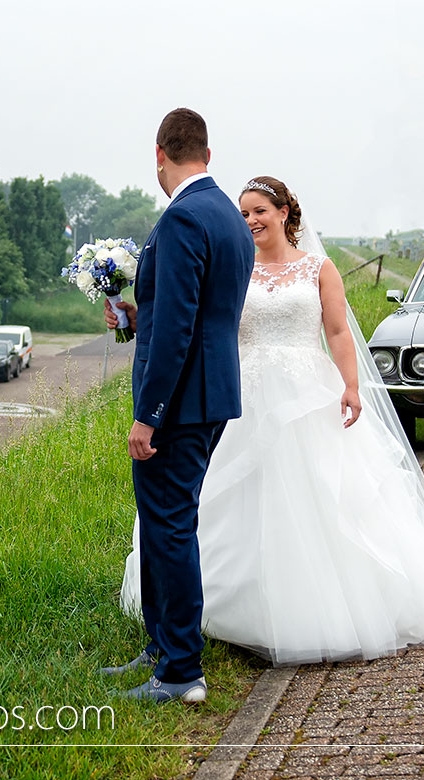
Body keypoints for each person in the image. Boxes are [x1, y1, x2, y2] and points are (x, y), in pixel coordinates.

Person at [110, 176, 424, 667]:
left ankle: (313, 608)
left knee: (316, 495)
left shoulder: (318, 268)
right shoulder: (235, 267)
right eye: (244, 213)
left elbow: (336, 330)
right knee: (228, 496)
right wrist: (135, 318)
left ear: (285, 213)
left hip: (305, 394)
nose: (250, 221)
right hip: (239, 395)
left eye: (260, 211)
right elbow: (201, 321)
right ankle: (224, 609)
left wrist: (351, 386)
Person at [98, 109, 255, 704]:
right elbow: (198, 312)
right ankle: (162, 644)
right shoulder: (226, 216)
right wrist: (138, 311)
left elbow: (178, 332)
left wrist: (148, 413)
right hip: (208, 395)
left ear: (159, 153)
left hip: (180, 403)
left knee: (168, 526)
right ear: (207, 155)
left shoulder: (184, 217)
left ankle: (181, 670)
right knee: (168, 520)